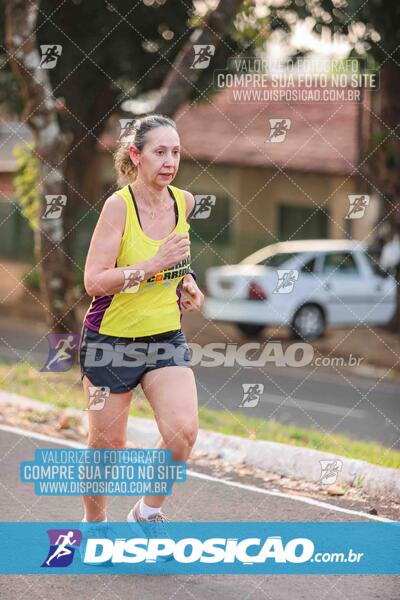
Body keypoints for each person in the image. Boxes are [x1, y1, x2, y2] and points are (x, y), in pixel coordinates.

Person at [79, 114, 204, 530]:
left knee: (183, 432)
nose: (170, 161)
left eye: (176, 152)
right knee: (107, 446)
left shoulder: (182, 201)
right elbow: (95, 281)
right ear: (136, 155)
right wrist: (153, 266)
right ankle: (93, 527)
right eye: (160, 152)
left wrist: (185, 280)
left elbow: (177, 257)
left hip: (164, 337)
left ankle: (146, 512)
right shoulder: (119, 206)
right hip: (110, 340)